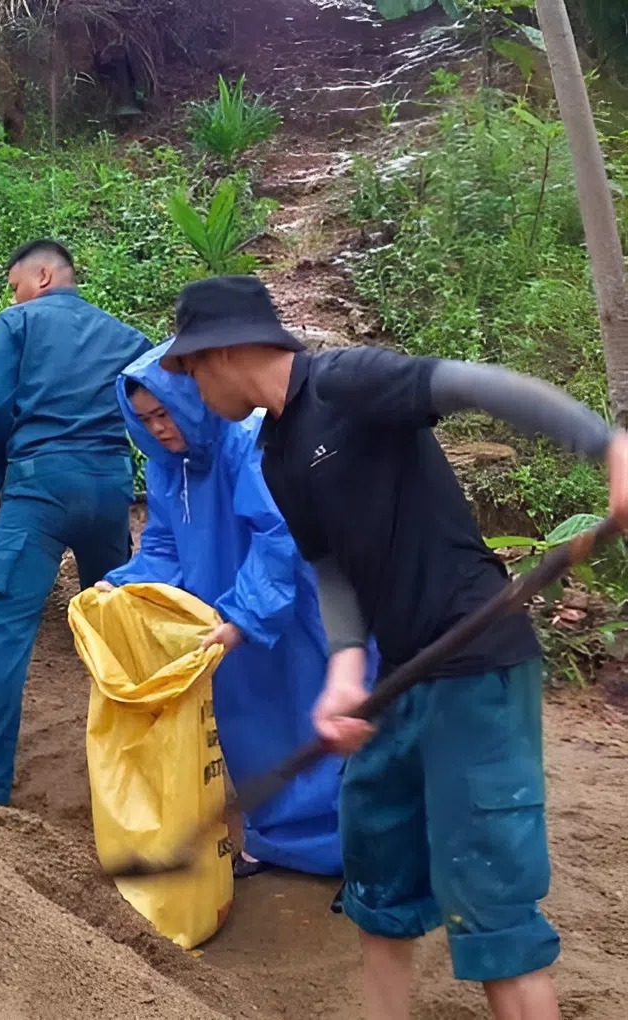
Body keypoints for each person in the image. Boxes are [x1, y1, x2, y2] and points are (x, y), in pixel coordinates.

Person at [162, 274, 628, 1020]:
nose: (188, 387)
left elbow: (477, 385)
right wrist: (346, 670)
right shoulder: (277, 453)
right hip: (398, 678)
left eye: (188, 369)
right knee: (377, 880)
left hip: (475, 669)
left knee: (491, 906)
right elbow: (330, 568)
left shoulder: (346, 382)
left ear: (222, 352)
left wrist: (609, 446)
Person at [96, 342, 362, 878]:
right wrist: (121, 584)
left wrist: (248, 613)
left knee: (314, 716)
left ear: (191, 397)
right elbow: (164, 544)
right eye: (146, 420)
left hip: (288, 608)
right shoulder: (168, 467)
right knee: (252, 729)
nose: (159, 428)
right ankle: (278, 839)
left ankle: (349, 849)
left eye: (165, 412)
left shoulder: (245, 442)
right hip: (225, 619)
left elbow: (279, 534)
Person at [0, 239, 151, 805]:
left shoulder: (20, 323)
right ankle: (137, 776)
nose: (12, 298)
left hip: (38, 488)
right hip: (110, 488)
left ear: (41, 276)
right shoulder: (129, 338)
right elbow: (153, 413)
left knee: (4, 634)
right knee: (114, 633)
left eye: (14, 286)